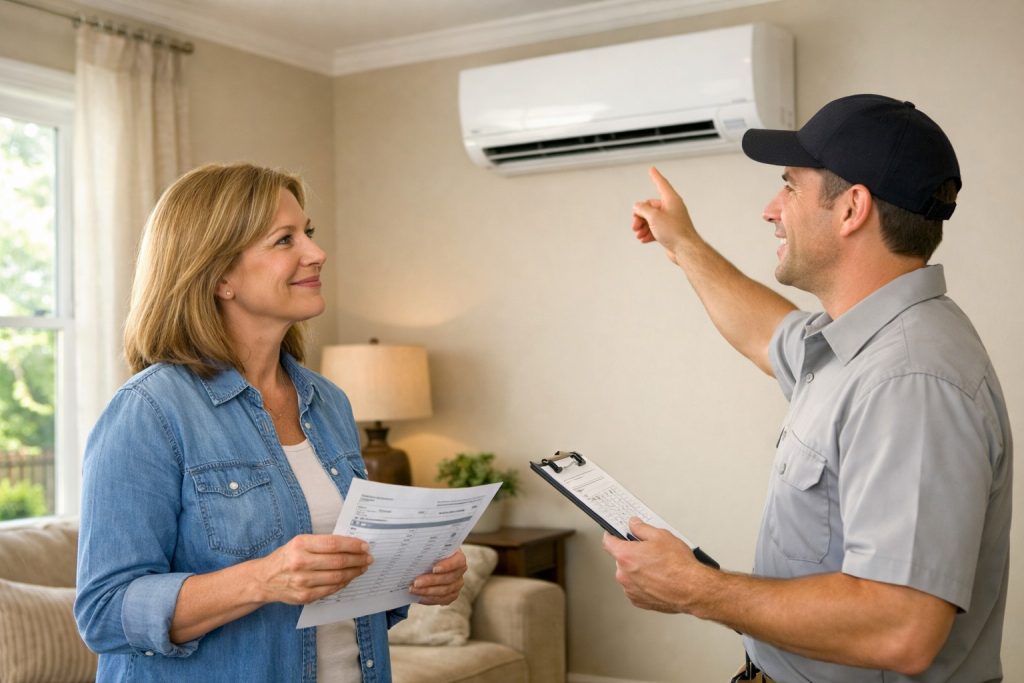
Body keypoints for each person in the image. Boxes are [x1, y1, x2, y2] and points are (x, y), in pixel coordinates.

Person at [602, 94, 1012, 682]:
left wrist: (696, 589)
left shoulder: (911, 380)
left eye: (790, 186)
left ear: (851, 209)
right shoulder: (858, 344)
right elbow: (765, 333)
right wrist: (683, 244)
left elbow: (902, 627)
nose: (771, 210)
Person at [74, 162, 467, 682]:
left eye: (308, 232)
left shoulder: (328, 402)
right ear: (218, 277)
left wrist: (412, 577)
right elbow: (105, 611)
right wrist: (263, 579)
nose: (316, 252)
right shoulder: (149, 411)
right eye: (284, 240)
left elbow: (342, 593)